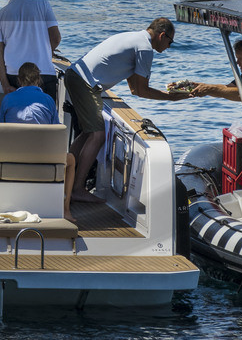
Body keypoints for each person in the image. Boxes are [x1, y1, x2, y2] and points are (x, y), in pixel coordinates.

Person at [64, 18, 202, 203]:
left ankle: (66, 180)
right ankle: (77, 188)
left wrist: (171, 94)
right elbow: (142, 91)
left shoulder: (134, 38)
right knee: (97, 135)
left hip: (76, 75)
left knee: (88, 133)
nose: (169, 47)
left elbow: (135, 89)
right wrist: (171, 97)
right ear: (162, 35)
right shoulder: (144, 48)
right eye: (170, 42)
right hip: (85, 82)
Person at [0, 0, 61, 99]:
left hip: (15, 75)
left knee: (17, 116)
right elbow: (56, 38)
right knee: (45, 114)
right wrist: (45, 53)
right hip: (44, 73)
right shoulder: (44, 5)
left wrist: (5, 84)